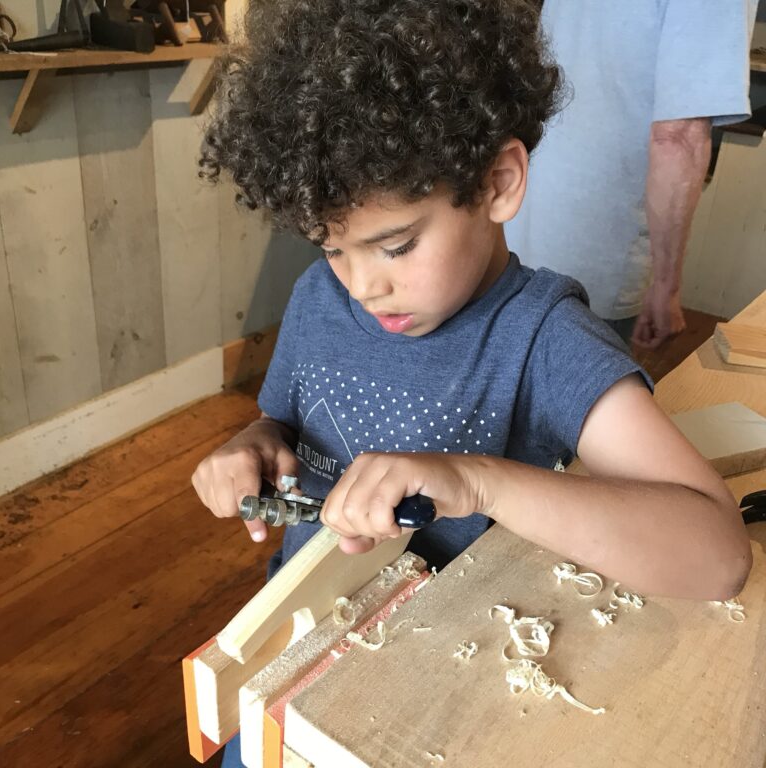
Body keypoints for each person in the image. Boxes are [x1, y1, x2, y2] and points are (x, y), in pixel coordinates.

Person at [192, 1, 751, 762]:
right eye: (332, 249)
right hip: (299, 665)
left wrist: (478, 482)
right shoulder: (318, 302)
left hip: (445, 704)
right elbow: (284, 425)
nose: (362, 287)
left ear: (499, 182)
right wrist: (251, 445)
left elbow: (717, 553)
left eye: (395, 246)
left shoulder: (544, 340)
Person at [504, 0, 757, 349]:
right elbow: (677, 136)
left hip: (516, 222)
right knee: (578, 397)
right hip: (594, 260)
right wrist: (667, 285)